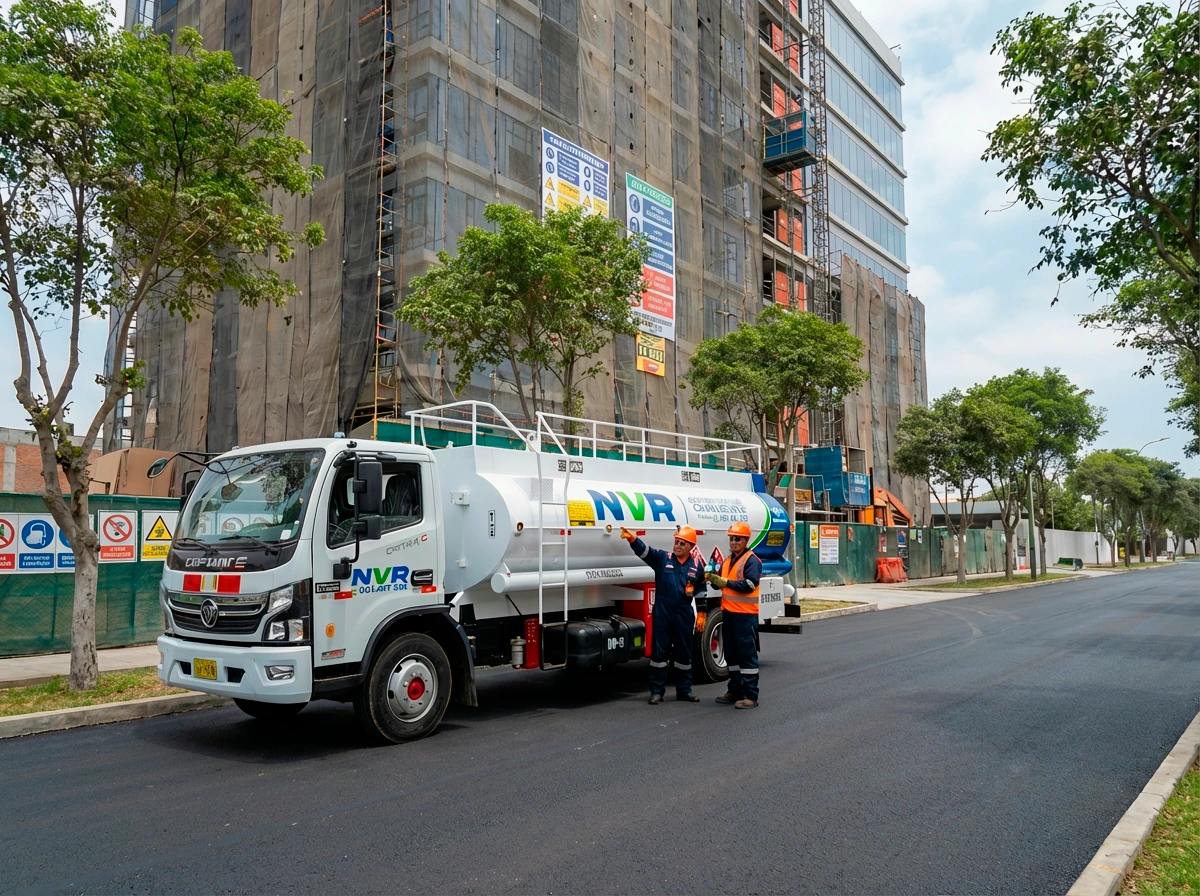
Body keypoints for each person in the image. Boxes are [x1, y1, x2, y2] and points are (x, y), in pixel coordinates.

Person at [621, 525, 707, 704]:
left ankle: (684, 691)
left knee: (684, 653)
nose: (677, 546)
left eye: (682, 543)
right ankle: (656, 692)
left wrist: (702, 613)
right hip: (663, 613)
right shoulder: (663, 558)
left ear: (691, 546)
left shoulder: (697, 565)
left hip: (684, 614)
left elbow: (700, 590)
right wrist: (633, 539)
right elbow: (645, 552)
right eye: (676, 542)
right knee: (660, 653)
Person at [705, 521, 761, 708]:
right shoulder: (727, 561)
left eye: (738, 539)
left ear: (746, 540)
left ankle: (750, 696)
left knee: (747, 656)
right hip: (728, 615)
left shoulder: (752, 560)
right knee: (731, 656)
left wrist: (725, 582)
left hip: (745, 616)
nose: (734, 542)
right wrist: (713, 580)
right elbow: (721, 585)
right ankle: (735, 690)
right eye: (732, 539)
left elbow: (750, 584)